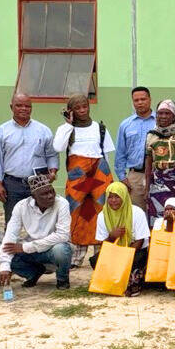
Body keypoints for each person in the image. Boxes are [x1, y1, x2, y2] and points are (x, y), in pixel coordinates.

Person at [53, 94, 116, 268]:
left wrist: (108, 178)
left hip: (100, 172)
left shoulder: (100, 128)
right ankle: (76, 257)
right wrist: (68, 124)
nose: (82, 110)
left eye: (84, 106)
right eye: (77, 108)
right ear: (70, 110)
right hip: (78, 174)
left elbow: (106, 155)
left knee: (102, 211)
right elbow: (58, 147)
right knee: (76, 211)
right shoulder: (66, 129)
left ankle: (100, 255)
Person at [0, 93, 59, 225]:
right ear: (11, 107)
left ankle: (38, 239)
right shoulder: (1, 132)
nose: (23, 109)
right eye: (19, 105)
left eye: (27, 106)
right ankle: (11, 238)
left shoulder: (43, 130)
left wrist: (53, 172)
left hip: (39, 182)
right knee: (12, 221)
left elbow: (52, 155)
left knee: (40, 220)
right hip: (12, 184)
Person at [0, 174, 73, 290]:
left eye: (52, 191)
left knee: (61, 249)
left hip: (52, 249)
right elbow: (10, 236)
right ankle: (33, 274)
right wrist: (4, 267)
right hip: (31, 252)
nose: (50, 196)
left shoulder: (62, 203)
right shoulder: (21, 206)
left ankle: (62, 279)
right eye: (44, 194)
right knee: (5, 252)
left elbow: (62, 235)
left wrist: (26, 247)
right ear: (33, 196)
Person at [92, 182, 150, 297]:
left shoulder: (137, 212)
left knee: (137, 260)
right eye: (110, 197)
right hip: (114, 251)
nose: (113, 200)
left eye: (117, 197)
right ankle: (119, 281)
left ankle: (129, 283)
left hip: (134, 251)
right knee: (95, 260)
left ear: (124, 196)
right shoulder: (102, 215)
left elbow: (140, 241)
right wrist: (111, 237)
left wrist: (124, 256)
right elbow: (103, 245)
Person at [144, 99, 175, 225]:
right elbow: (148, 164)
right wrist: (146, 189)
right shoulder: (151, 135)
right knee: (157, 219)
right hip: (157, 184)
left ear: (174, 115)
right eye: (160, 113)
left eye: (167, 113)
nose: (163, 116)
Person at [115, 86, 156, 210]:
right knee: (136, 213)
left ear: (150, 99)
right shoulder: (125, 125)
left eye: (143, 99)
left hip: (156, 175)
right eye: (136, 100)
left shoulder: (160, 122)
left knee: (158, 211)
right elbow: (120, 153)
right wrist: (122, 177)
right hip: (135, 177)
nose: (140, 103)